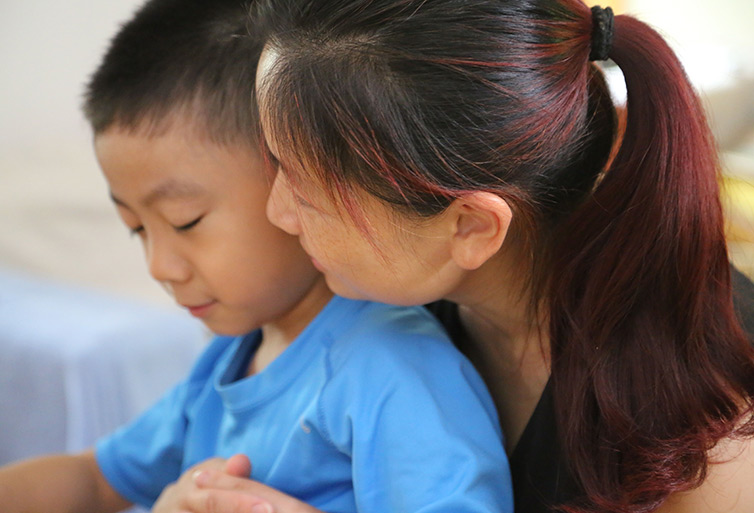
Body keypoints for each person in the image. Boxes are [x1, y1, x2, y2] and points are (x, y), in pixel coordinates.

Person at [161, 0, 754, 512]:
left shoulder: (709, 428)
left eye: (309, 193)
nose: (279, 216)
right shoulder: (392, 309)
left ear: (470, 227)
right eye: (276, 164)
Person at [0, 0, 514, 512]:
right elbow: (96, 479)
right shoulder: (231, 357)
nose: (160, 267)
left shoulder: (391, 365)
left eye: (185, 221)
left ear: (301, 177)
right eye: (136, 230)